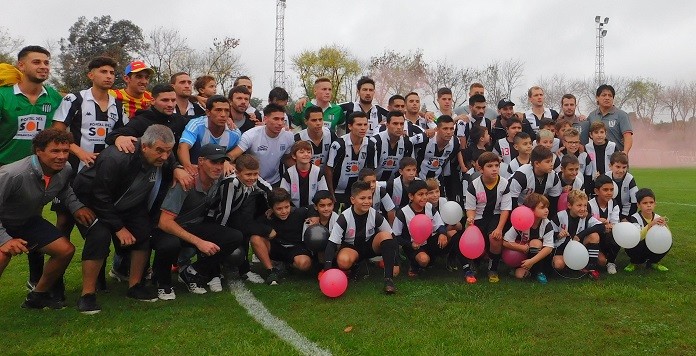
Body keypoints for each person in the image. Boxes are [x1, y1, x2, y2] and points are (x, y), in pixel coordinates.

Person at [72, 125, 185, 314]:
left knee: (142, 232)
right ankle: (87, 294)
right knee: (99, 236)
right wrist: (118, 228)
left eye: (168, 151)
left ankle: (135, 286)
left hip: (128, 205)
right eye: (159, 151)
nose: (164, 156)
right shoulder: (116, 157)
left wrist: (177, 168)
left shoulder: (164, 154)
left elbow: (170, 160)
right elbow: (100, 197)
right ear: (144, 146)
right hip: (92, 203)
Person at [43, 56, 127, 292]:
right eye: (103, 71)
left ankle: (98, 279)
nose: (109, 76)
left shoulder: (117, 105)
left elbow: (119, 135)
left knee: (99, 224)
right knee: (63, 226)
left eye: (112, 72)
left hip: (100, 178)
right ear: (91, 75)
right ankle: (51, 282)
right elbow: (56, 133)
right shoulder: (75, 98)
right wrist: (79, 152)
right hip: (71, 175)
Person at [0, 129, 95, 309]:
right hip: (2, 223)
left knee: (65, 250)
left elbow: (64, 189)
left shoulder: (64, 169)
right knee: (2, 256)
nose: (61, 156)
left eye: (65, 151)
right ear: (39, 151)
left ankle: (37, 296)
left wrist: (77, 207)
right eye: (55, 151)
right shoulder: (13, 174)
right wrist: (4, 240)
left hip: (27, 221)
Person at [153, 144, 243, 298]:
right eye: (214, 162)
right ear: (201, 161)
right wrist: (199, 242)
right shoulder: (186, 182)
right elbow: (164, 222)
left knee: (234, 237)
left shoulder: (220, 176)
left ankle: (192, 272)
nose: (218, 167)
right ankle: (163, 282)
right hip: (167, 228)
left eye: (221, 162)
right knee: (170, 244)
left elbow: (247, 172)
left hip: (193, 226)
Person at [323, 181, 400, 294]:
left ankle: (388, 280)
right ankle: (356, 266)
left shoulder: (375, 215)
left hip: (369, 247)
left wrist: (396, 263)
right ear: (353, 200)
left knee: (386, 235)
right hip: (351, 249)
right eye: (362, 198)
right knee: (343, 262)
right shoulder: (344, 217)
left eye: (369, 198)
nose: (367, 202)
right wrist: (327, 271)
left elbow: (392, 237)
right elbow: (332, 244)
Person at [0, 45, 62, 165]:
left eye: (46, 63)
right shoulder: (3, 96)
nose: (43, 67)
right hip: (4, 168)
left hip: (41, 168)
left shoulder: (54, 96)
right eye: (36, 62)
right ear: (21, 65)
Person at [215, 154, 272, 283]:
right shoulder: (231, 182)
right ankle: (215, 272)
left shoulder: (254, 179)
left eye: (255, 174)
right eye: (248, 174)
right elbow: (225, 210)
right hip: (216, 218)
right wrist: (220, 232)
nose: (252, 178)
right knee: (224, 241)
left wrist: (272, 206)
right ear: (238, 172)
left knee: (243, 232)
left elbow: (268, 188)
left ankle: (244, 271)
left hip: (233, 214)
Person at [251, 188, 316, 285]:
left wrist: (314, 216)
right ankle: (271, 271)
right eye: (279, 208)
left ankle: (288, 265)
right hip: (276, 248)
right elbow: (252, 226)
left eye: (287, 207)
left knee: (304, 264)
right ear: (271, 208)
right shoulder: (266, 217)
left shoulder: (299, 213)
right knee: (255, 239)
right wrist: (267, 231)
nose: (284, 211)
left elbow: (312, 207)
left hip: (296, 248)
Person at [464, 152, 512, 283]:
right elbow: (470, 208)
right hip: (478, 217)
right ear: (480, 169)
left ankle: (493, 268)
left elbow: (505, 209)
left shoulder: (504, 184)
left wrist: (499, 229)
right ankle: (472, 266)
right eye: (490, 166)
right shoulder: (473, 185)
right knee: (472, 239)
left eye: (497, 165)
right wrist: (470, 219)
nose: (495, 169)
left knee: (495, 238)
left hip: (495, 216)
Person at [392, 180, 449, 278]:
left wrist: (442, 233)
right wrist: (409, 244)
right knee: (423, 260)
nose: (424, 197)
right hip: (413, 246)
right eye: (420, 194)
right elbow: (395, 236)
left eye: (426, 194)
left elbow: (440, 224)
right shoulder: (403, 213)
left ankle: (451, 261)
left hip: (429, 241)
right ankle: (415, 265)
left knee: (451, 235)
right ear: (411, 196)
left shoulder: (429, 207)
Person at [228, 103, 295, 185]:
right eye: (276, 119)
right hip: (252, 182)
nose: (280, 123)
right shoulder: (251, 135)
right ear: (265, 119)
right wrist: (225, 162)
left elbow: (287, 158)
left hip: (275, 181)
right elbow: (232, 155)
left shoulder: (289, 136)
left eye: (282, 119)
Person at [177, 95, 241, 176]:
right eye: (218, 110)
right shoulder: (196, 124)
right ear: (208, 112)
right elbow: (183, 147)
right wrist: (189, 168)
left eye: (227, 110)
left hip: (218, 172)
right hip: (196, 169)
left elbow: (240, 157)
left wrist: (227, 162)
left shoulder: (235, 133)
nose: (223, 114)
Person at [325, 112, 377, 208]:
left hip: (358, 192)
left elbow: (371, 171)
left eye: (365, 125)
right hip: (337, 192)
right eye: (359, 124)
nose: (363, 128)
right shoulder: (338, 145)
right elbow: (328, 169)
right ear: (350, 126)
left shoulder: (371, 145)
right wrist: (331, 193)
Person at [552, 190, 606, 280]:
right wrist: (558, 234)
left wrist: (580, 235)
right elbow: (548, 233)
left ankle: (591, 269)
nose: (583, 208)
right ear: (569, 205)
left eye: (585, 205)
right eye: (579, 205)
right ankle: (572, 267)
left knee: (602, 260)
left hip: (580, 249)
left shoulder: (586, 216)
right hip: (563, 249)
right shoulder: (560, 216)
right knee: (559, 264)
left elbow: (601, 227)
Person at [502, 193, 554, 284]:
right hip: (524, 256)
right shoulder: (521, 221)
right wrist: (521, 248)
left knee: (535, 242)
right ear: (531, 210)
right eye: (542, 208)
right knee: (520, 275)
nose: (547, 210)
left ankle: (539, 272)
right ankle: (528, 271)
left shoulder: (547, 224)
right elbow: (505, 242)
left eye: (547, 207)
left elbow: (549, 248)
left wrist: (532, 261)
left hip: (539, 258)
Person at [413, 115, 463, 201]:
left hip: (437, 181)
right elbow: (407, 143)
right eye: (445, 129)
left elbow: (450, 157)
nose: (449, 132)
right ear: (437, 129)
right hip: (419, 180)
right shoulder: (426, 137)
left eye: (451, 129)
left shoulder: (455, 142)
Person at [507, 146, 562, 220]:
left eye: (551, 161)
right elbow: (511, 201)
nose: (551, 164)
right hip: (519, 209)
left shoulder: (554, 177)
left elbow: (553, 204)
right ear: (536, 164)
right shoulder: (521, 176)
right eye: (547, 161)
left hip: (539, 210)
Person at [624, 188, 670, 272]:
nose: (649, 205)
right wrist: (651, 224)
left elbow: (667, 236)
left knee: (668, 242)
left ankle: (654, 262)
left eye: (651, 202)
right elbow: (637, 237)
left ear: (655, 204)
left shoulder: (657, 217)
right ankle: (634, 262)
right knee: (635, 243)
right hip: (638, 246)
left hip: (651, 246)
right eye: (645, 203)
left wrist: (665, 226)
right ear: (638, 205)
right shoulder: (634, 218)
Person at [280, 141, 328, 208]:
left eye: (308, 152)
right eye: (302, 152)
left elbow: (323, 193)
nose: (306, 154)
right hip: (293, 210)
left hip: (313, 209)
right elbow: (283, 195)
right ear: (294, 156)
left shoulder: (318, 171)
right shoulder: (289, 173)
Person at [589, 175, 620, 275]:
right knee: (601, 262)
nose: (609, 193)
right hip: (593, 237)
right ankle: (590, 262)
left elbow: (615, 223)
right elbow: (586, 224)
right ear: (597, 191)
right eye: (605, 190)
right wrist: (599, 223)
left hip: (607, 234)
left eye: (611, 189)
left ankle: (611, 261)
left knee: (617, 235)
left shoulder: (614, 204)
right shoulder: (589, 205)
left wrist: (610, 226)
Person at [587, 84, 633, 153]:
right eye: (604, 95)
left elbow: (628, 137)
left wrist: (625, 152)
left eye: (610, 95)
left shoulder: (621, 115)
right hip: (598, 158)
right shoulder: (592, 116)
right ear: (597, 97)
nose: (607, 98)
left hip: (617, 158)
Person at [371, 110, 414, 181]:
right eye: (395, 124)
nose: (399, 127)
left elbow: (409, 168)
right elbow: (369, 170)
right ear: (387, 125)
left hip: (395, 185)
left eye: (401, 124)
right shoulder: (375, 141)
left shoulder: (407, 142)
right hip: (375, 185)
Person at [607, 152, 638, 220]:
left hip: (625, 213)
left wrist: (628, 218)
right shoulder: (606, 177)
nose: (621, 170)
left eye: (624, 167)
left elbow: (635, 201)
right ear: (610, 166)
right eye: (618, 167)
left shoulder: (629, 179)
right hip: (608, 212)